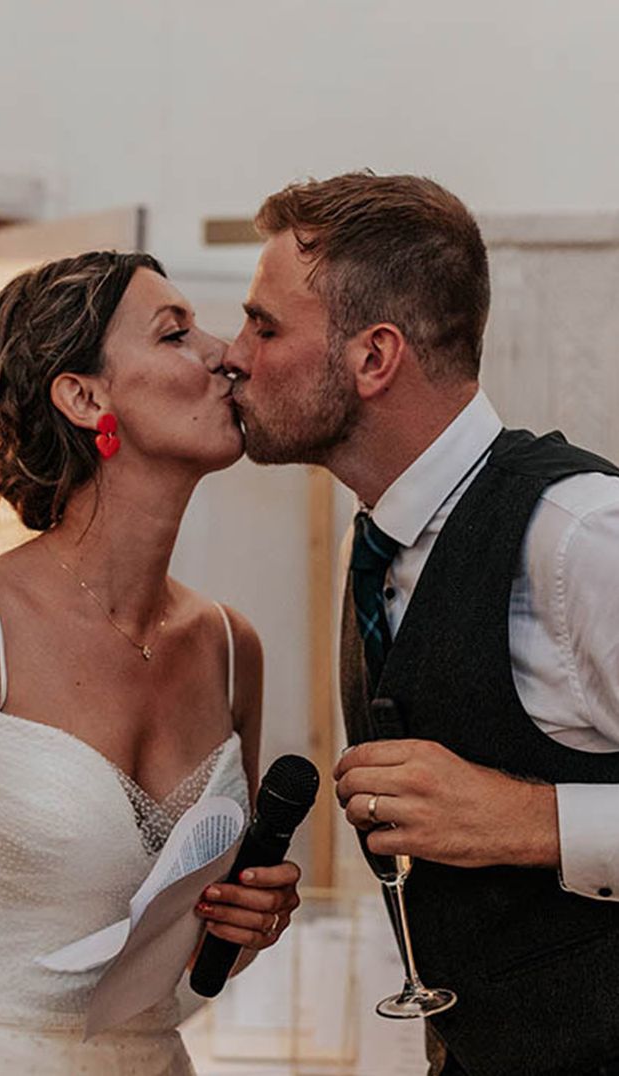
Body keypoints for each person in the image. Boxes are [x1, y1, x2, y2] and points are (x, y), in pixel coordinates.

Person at [224, 172, 619, 1076]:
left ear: (374, 358)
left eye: (266, 325)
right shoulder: (381, 540)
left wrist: (535, 821)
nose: (232, 353)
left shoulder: (581, 539)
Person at [0, 250, 300, 1074]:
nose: (226, 352)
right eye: (175, 334)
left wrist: (252, 918)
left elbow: (195, 959)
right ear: (86, 398)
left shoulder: (232, 648)